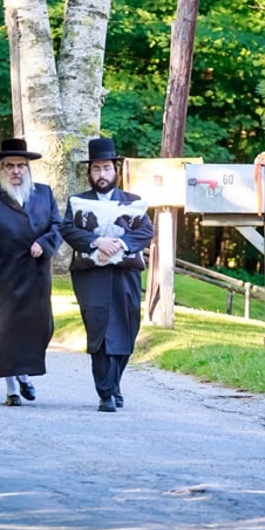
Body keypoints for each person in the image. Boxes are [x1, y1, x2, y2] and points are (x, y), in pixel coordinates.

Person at [0, 137, 63, 407]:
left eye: (21, 165)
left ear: (28, 168)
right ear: (0, 169)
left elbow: (57, 226)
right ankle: (12, 389)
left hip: (36, 275)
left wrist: (43, 244)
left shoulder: (43, 193)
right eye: (9, 165)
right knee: (5, 332)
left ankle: (23, 373)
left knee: (40, 329)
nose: (16, 171)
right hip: (3, 273)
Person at [61, 137, 153, 412]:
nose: (102, 175)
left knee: (127, 329)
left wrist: (119, 245)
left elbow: (145, 232)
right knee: (100, 330)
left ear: (116, 170)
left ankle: (114, 385)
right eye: (96, 169)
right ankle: (106, 394)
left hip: (125, 274)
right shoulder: (78, 201)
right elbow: (67, 229)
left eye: (107, 168)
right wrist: (96, 242)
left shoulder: (133, 203)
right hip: (91, 276)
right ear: (89, 173)